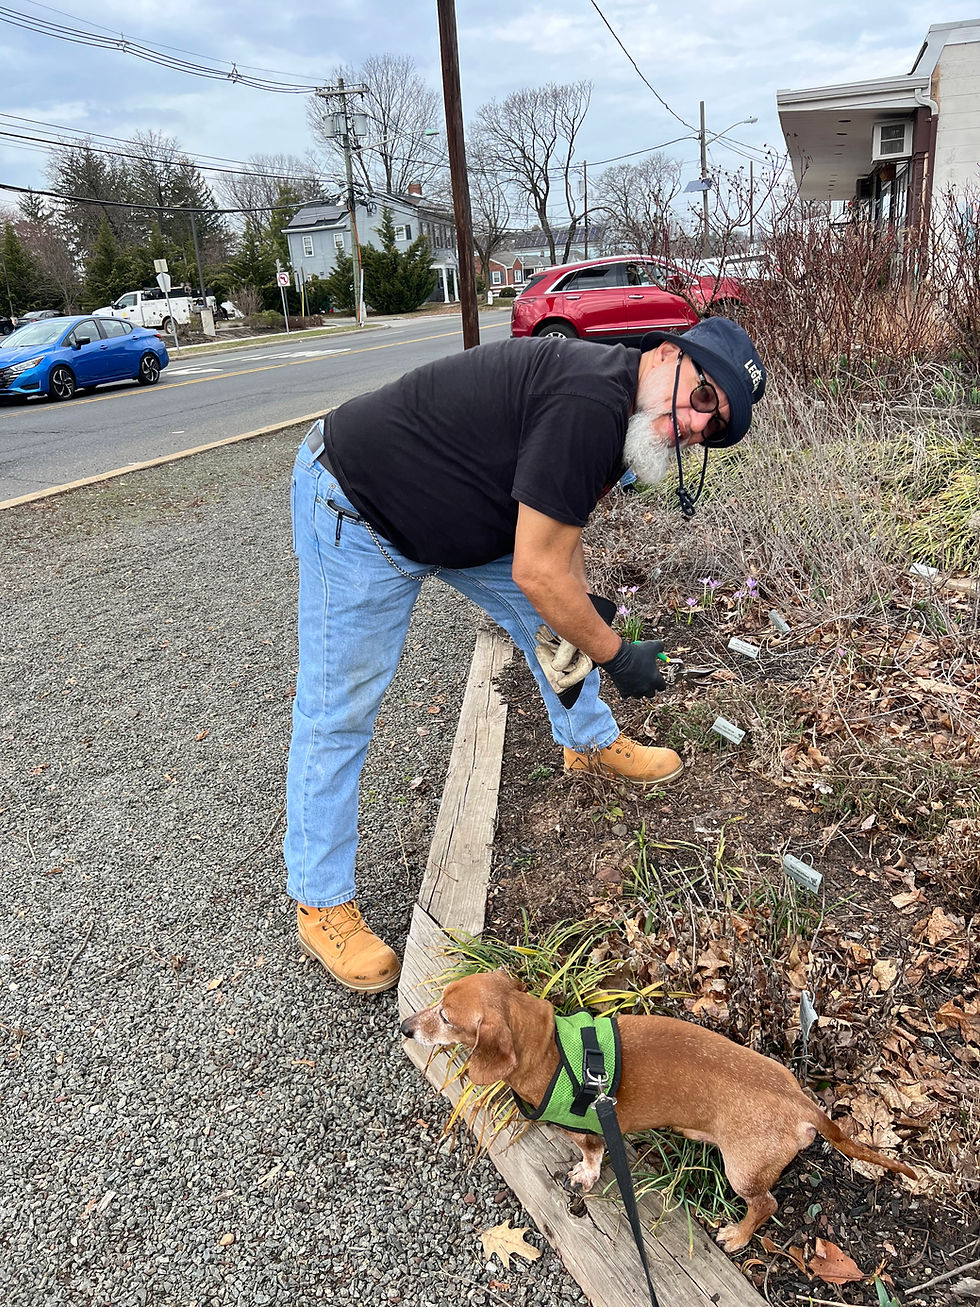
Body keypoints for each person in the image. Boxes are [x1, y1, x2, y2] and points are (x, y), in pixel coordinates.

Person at [285, 317, 766, 993]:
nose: (694, 424)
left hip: (457, 520)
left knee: (562, 617)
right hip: (360, 509)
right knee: (339, 709)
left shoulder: (623, 410)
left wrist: (585, 615)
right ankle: (320, 900)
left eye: (711, 429)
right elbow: (538, 572)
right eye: (704, 397)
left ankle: (588, 740)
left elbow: (561, 541)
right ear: (667, 353)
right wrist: (617, 653)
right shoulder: (589, 402)